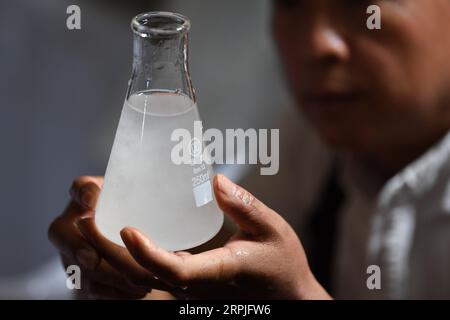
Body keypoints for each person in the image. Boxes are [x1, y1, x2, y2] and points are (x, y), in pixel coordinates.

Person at [49, 0, 450, 299]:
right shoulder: (308, 138)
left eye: (361, 7)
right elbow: (216, 275)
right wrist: (129, 280)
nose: (316, 44)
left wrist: (299, 293)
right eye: (290, 4)